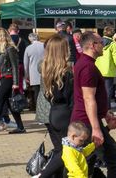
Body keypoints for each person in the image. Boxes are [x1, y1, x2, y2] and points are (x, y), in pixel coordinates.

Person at [72, 31, 116, 176]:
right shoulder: (88, 67)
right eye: (101, 42)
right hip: (85, 123)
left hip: (87, 121)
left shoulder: (87, 64)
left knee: (90, 163)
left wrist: (105, 113)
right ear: (92, 45)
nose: (103, 45)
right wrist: (95, 128)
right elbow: (88, 99)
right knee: (113, 160)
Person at [36, 36, 75, 178]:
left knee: (60, 149)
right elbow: (71, 97)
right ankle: (43, 175)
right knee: (67, 151)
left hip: (53, 112)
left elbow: (47, 95)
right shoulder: (67, 72)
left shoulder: (46, 68)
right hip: (65, 114)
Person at [97, 32, 116, 111]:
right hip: (109, 71)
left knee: (99, 90)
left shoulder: (98, 43)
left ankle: (99, 107)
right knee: (108, 91)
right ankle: (107, 108)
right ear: (112, 36)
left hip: (98, 69)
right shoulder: (113, 44)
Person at [24, 32, 45, 110]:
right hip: (45, 72)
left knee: (36, 91)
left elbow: (26, 64)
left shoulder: (28, 48)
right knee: (45, 91)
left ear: (30, 39)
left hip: (33, 73)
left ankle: (38, 109)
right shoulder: (44, 46)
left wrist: (26, 76)